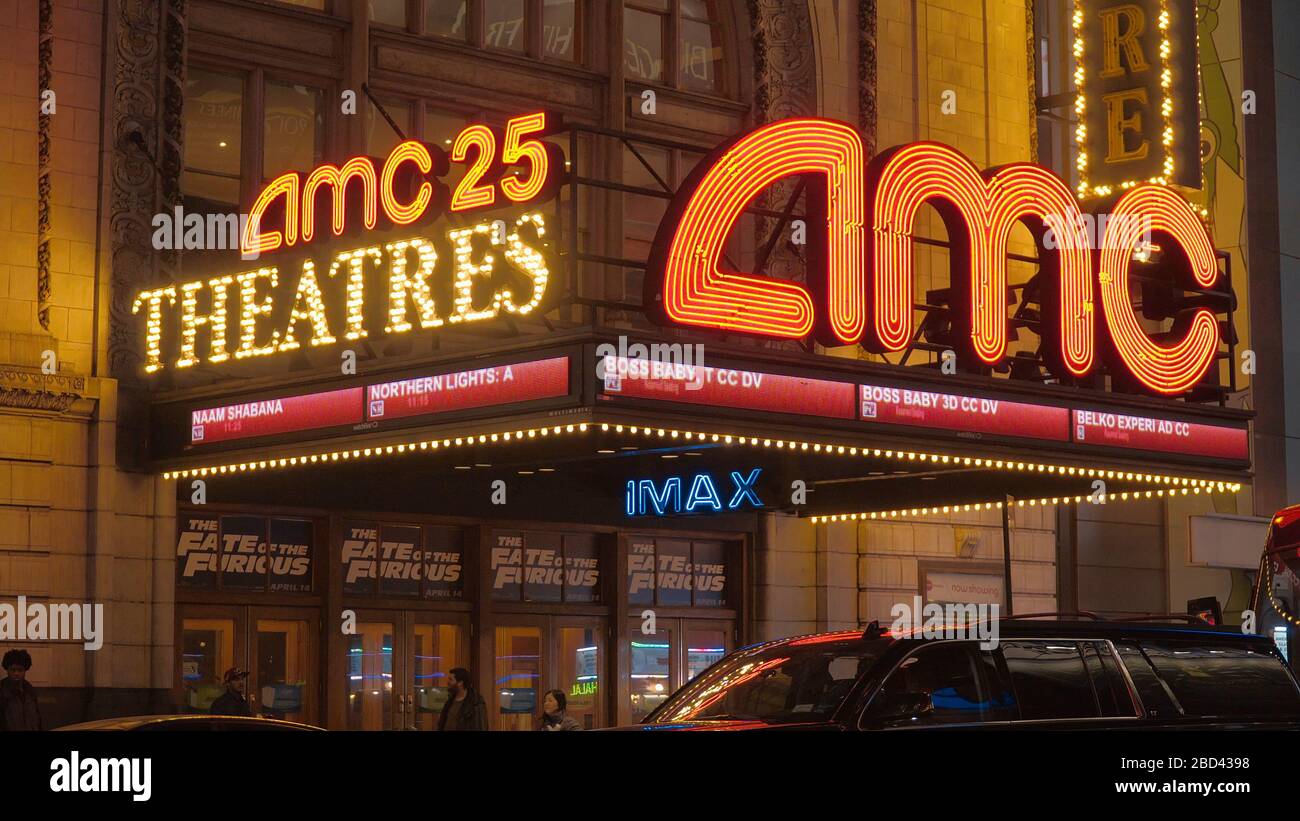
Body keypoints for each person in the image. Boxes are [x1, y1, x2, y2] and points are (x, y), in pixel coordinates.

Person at [0, 649, 42, 731]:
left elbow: (36, 717)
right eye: (13, 670)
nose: (16, 673)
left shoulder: (30, 690)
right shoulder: (2, 690)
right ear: (7, 670)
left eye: (20, 670)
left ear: (25, 670)